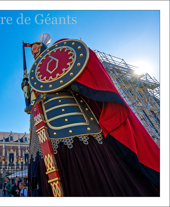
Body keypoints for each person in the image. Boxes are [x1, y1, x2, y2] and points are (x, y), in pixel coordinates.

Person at [22, 34, 160, 196]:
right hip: (42, 134)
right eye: (32, 51)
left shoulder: (56, 55)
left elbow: (73, 66)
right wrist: (27, 88)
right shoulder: (34, 76)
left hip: (75, 129)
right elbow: (31, 107)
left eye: (36, 48)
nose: (34, 52)